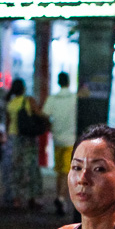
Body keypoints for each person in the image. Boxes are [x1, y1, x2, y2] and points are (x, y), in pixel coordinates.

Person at [4, 78, 45, 210]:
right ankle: (31, 197)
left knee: (16, 167)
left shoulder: (10, 103)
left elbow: (8, 123)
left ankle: (16, 198)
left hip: (14, 138)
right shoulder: (28, 100)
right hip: (28, 138)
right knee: (31, 167)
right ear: (23, 88)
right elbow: (39, 114)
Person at [42, 71, 78, 217]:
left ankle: (60, 196)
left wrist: (51, 126)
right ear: (68, 82)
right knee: (67, 170)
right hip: (71, 138)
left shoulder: (53, 98)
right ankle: (62, 198)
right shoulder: (74, 98)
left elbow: (44, 114)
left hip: (57, 138)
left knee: (59, 171)